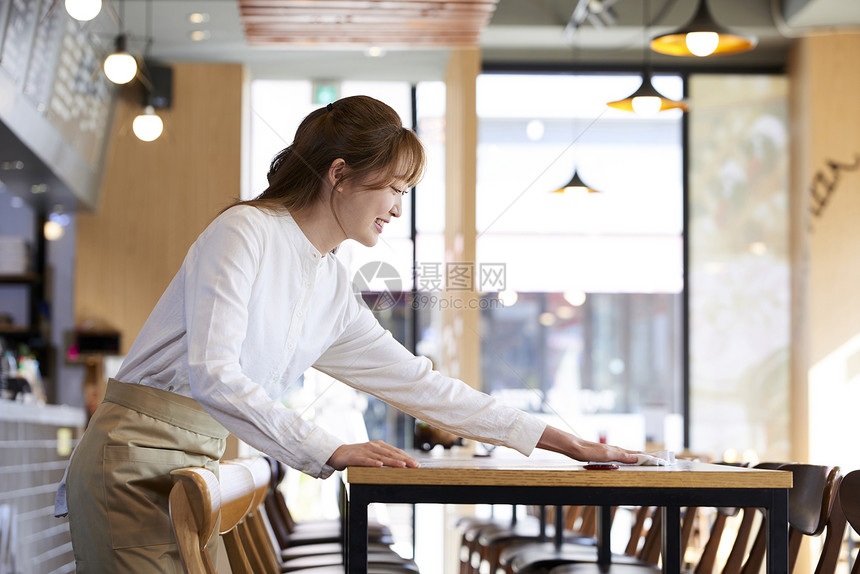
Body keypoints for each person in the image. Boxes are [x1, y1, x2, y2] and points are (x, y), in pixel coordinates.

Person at [56, 95, 637, 572]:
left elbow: (423, 387)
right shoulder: (245, 231)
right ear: (340, 174)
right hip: (131, 462)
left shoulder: (329, 284)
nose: (398, 209)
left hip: (195, 471)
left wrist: (563, 442)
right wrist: (328, 447)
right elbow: (214, 374)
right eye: (394, 189)